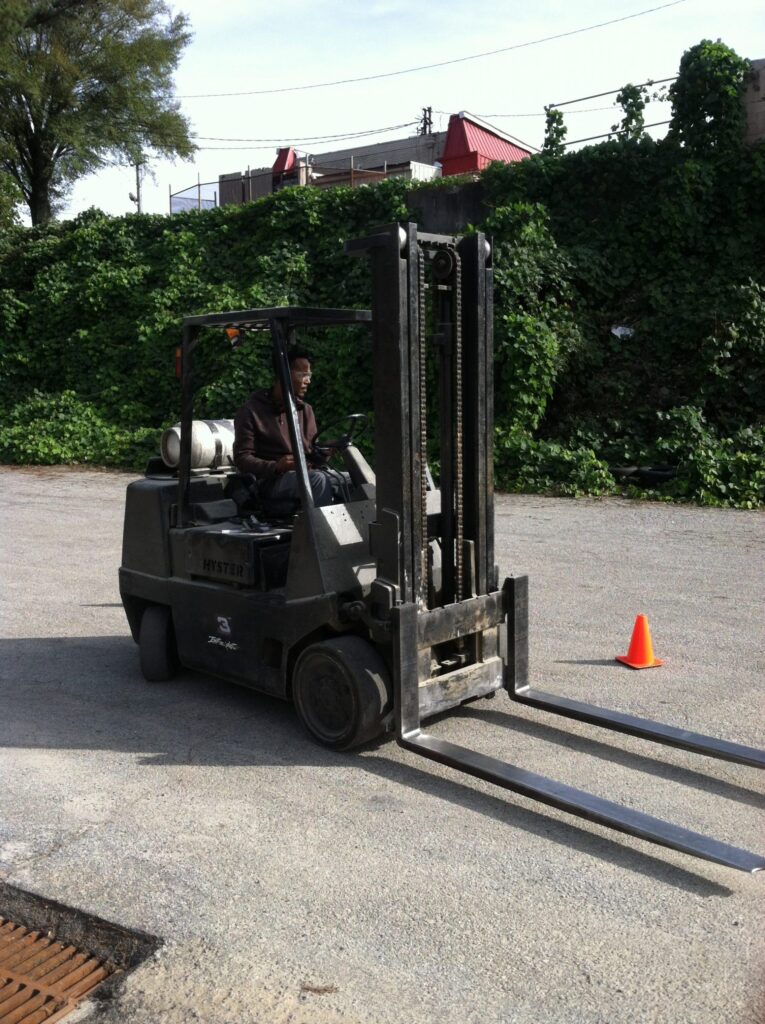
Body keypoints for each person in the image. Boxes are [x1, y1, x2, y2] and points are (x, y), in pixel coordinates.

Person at [233, 347, 334, 510]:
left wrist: (326, 452)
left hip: (303, 474)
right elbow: (242, 459)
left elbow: (312, 454)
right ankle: (321, 534)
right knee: (317, 481)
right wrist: (276, 466)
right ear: (283, 375)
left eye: (309, 375)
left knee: (349, 479)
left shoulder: (305, 410)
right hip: (270, 481)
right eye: (302, 375)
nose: (308, 380)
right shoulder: (251, 411)